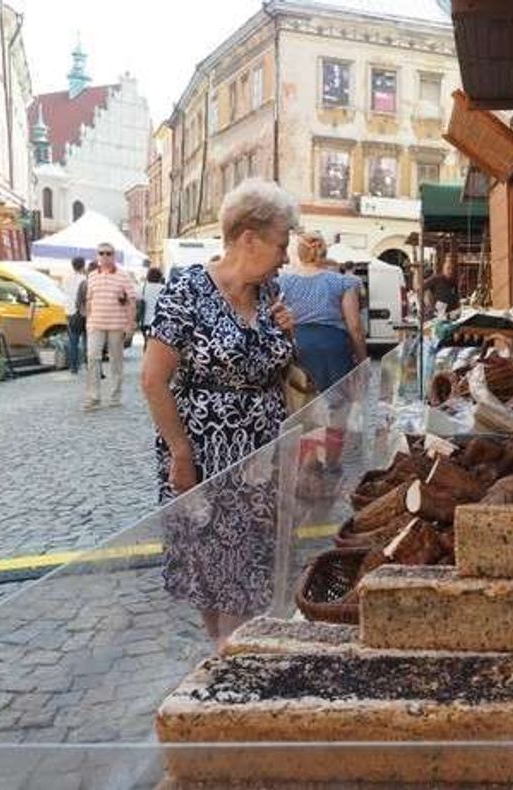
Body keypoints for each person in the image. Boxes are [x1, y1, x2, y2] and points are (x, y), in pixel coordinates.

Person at [140, 178, 298, 650]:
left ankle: (230, 656)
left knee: (251, 571)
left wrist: (289, 337)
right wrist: (181, 454)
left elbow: (278, 368)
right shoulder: (187, 289)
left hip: (261, 456)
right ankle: (225, 659)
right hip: (207, 455)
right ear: (248, 238)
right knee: (213, 570)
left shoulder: (270, 293)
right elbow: (152, 380)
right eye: (281, 244)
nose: (286, 256)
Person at [276, 230, 367, 391]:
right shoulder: (343, 282)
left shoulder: (283, 282)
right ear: (324, 251)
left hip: (298, 346)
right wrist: (362, 363)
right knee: (338, 408)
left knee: (301, 405)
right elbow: (355, 327)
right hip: (334, 348)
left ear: (299, 253)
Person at [84, 242, 137, 410]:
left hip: (116, 324)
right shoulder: (92, 276)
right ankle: (94, 397)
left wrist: (130, 325)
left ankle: (115, 396)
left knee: (116, 361)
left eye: (108, 253)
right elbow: (89, 299)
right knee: (92, 358)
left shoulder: (123, 276)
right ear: (97, 256)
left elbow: (132, 301)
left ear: (114, 256)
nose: (105, 256)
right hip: (95, 324)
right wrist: (88, 320)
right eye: (102, 253)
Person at [62, 256, 86, 373]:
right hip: (83, 312)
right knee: (87, 339)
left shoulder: (66, 279)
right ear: (83, 265)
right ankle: (88, 364)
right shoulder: (85, 279)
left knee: (73, 341)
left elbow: (63, 293)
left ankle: (73, 367)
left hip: (70, 312)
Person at [140, 266, 165, 348]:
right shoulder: (164, 289)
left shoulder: (143, 288)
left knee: (146, 343)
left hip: (145, 321)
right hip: (159, 321)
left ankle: (146, 358)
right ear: (160, 277)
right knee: (157, 346)